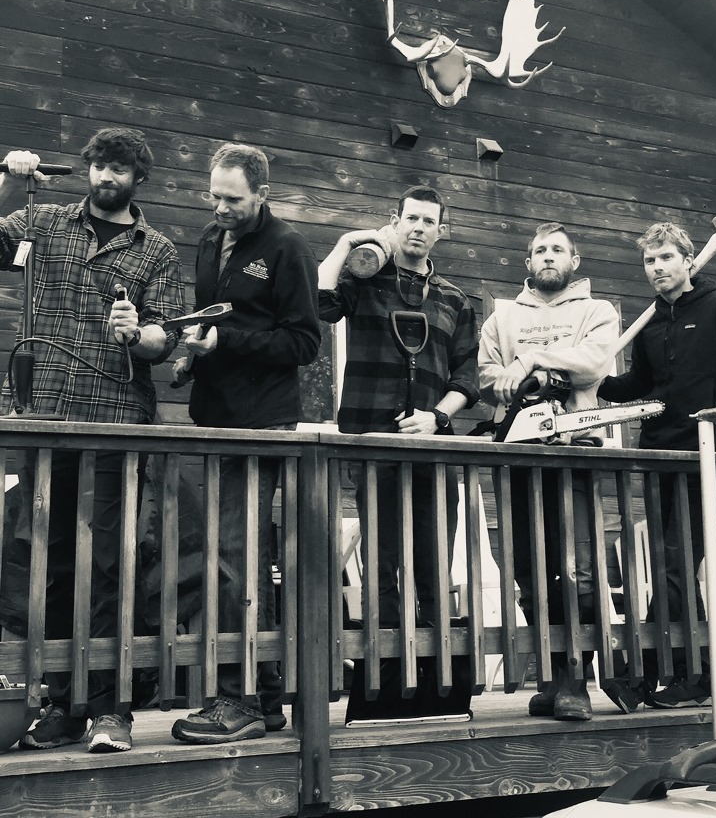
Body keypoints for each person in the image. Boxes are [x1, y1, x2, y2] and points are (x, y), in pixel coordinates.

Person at [0, 128, 185, 753]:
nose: (105, 176)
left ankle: (112, 710)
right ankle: (59, 705)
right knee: (42, 563)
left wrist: (139, 333)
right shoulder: (41, 221)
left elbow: (170, 339)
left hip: (115, 421)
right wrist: (5, 175)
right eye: (98, 165)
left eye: (118, 169)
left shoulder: (154, 249)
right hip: (45, 416)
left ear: (139, 179)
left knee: (111, 564)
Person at [170, 143, 320, 745]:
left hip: (262, 427)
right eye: (215, 195)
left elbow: (303, 343)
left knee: (238, 559)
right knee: (221, 555)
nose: (221, 206)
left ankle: (244, 699)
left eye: (233, 198)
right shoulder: (210, 241)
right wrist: (190, 355)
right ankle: (261, 698)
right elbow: (212, 320)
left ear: (262, 192)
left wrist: (224, 344)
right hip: (215, 421)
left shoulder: (288, 248)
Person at [599, 220, 716, 711]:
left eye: (666, 258)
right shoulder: (650, 322)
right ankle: (694, 678)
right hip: (660, 456)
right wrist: (587, 377)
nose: (657, 268)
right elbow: (638, 384)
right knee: (670, 567)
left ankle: (640, 673)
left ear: (688, 260)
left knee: (674, 562)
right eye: (650, 261)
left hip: (707, 455)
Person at [318, 186, 479, 639]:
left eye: (429, 221)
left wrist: (438, 418)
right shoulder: (364, 277)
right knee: (382, 557)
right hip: (373, 441)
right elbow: (319, 301)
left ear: (440, 231)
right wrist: (345, 244)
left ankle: (435, 665)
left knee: (433, 559)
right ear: (396, 220)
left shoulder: (454, 299)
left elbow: (468, 377)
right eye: (412, 218)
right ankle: (385, 663)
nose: (419, 227)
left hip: (434, 447)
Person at [478, 222, 619, 722]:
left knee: (577, 568)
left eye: (558, 249)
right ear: (528, 262)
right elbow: (487, 373)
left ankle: (577, 681)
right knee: (528, 570)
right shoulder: (502, 317)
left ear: (574, 260)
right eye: (540, 250)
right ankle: (553, 675)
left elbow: (595, 362)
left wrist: (537, 360)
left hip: (576, 450)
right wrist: (513, 381)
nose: (548, 257)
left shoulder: (597, 311)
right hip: (519, 448)